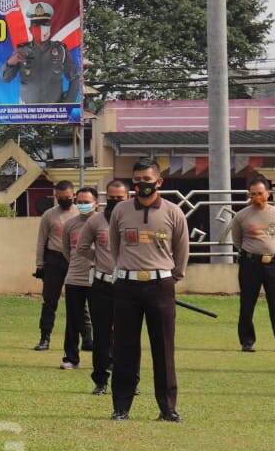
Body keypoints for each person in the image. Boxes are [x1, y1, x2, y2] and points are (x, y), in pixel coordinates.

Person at [107, 158, 189, 421]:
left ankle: (167, 408)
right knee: (124, 348)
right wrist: (124, 271)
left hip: (161, 285)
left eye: (147, 180)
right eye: (137, 180)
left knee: (163, 349)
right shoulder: (120, 210)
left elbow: (181, 249)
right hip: (127, 286)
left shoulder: (173, 212)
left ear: (159, 182)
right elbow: (114, 246)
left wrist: (172, 277)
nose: (142, 184)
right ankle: (121, 407)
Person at [224, 177, 275, 354]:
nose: (256, 197)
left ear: (268, 194)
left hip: (273, 263)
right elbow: (237, 241)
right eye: (253, 194)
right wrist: (252, 253)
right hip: (250, 264)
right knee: (247, 303)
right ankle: (247, 341)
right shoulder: (241, 216)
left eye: (260, 193)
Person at [76, 181, 128, 395]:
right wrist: (99, 260)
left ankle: (127, 380)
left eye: (120, 197)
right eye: (112, 197)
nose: (115, 201)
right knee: (102, 335)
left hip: (127, 284)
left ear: (128, 197)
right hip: (102, 284)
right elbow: (82, 247)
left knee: (127, 335)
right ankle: (101, 381)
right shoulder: (96, 221)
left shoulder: (133, 219)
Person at [32, 180, 88, 352]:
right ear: (55, 197)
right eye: (61, 197)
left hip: (77, 260)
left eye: (68, 197)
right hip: (54, 261)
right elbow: (41, 241)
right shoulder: (49, 215)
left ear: (74, 195)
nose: (65, 200)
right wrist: (40, 265)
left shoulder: (83, 213)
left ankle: (87, 338)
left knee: (80, 302)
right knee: (49, 301)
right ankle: (44, 338)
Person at [0, 1, 81, 105]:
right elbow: (5, 79)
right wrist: (10, 63)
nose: (41, 28)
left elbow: (75, 78)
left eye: (44, 24)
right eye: (36, 25)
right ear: (30, 29)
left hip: (54, 113)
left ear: (50, 27)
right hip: (27, 113)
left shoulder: (60, 50)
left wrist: (67, 104)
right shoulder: (21, 51)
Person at [59, 186, 98, 371]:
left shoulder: (104, 223)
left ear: (96, 203)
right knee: (73, 321)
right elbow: (66, 251)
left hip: (98, 278)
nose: (83, 206)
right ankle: (71, 358)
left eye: (87, 202)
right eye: (80, 202)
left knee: (102, 320)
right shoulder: (70, 224)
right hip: (74, 278)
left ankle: (107, 358)